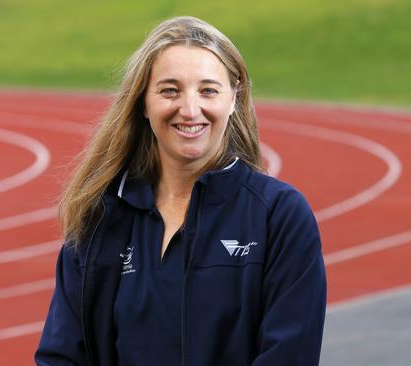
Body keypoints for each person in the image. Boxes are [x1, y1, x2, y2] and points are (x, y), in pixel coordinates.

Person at [35, 16, 326, 366]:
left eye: (208, 90)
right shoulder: (101, 219)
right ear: (143, 102)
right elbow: (62, 356)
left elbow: (289, 356)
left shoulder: (279, 215)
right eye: (169, 90)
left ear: (234, 98)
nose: (190, 110)